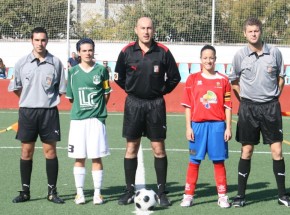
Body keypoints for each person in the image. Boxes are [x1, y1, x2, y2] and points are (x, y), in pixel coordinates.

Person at [228, 17, 290, 208]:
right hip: (248, 108)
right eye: (250, 31)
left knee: (277, 151)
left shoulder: (274, 53)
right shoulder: (239, 55)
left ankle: (282, 195)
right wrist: (244, 100)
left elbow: (281, 77)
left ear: (261, 31)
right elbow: (234, 81)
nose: (253, 34)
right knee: (247, 150)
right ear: (244, 33)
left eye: (256, 31)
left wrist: (275, 96)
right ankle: (241, 196)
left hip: (270, 108)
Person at [114, 17, 181, 207]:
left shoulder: (163, 52)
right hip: (134, 104)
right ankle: (129, 190)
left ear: (154, 30)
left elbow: (174, 78)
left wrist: (162, 91)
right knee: (131, 148)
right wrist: (131, 88)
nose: (146, 31)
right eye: (142, 28)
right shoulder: (127, 51)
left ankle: (162, 192)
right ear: (136, 29)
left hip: (156, 105)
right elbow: (118, 76)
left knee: (158, 149)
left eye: (149, 28)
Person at [8, 27, 66, 204]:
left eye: (43, 40)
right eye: (37, 40)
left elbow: (61, 89)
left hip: (49, 113)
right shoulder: (21, 63)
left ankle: (52, 192)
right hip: (27, 113)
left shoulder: (55, 62)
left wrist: (45, 100)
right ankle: (25, 192)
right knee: (26, 152)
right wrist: (28, 99)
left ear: (47, 41)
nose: (40, 43)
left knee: (50, 152)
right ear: (31, 41)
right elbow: (15, 87)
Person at [180, 45, 232, 208]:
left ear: (215, 59)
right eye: (205, 58)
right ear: (200, 59)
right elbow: (188, 106)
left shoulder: (223, 80)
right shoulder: (192, 79)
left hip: (217, 127)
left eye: (211, 57)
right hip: (197, 127)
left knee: (218, 162)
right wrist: (188, 127)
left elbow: (228, 106)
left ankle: (222, 196)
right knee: (194, 160)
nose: (208, 60)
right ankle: (188, 195)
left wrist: (228, 127)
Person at [66, 38, 112, 205]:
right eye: (84, 50)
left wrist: (98, 109)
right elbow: (71, 98)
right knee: (79, 157)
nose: (87, 53)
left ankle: (97, 193)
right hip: (78, 120)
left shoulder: (102, 70)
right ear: (79, 53)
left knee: (96, 157)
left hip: (96, 120)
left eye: (90, 50)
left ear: (94, 51)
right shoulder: (72, 72)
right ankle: (80, 193)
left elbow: (107, 93)